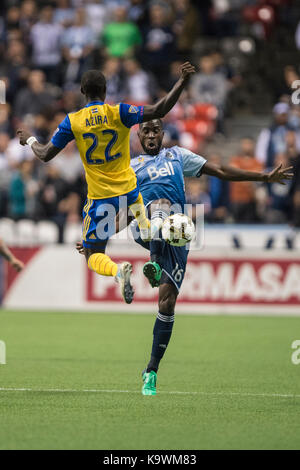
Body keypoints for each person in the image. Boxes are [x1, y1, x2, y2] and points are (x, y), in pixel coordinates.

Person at [128, 119, 293, 395]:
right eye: (146, 130)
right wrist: (94, 240)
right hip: (145, 227)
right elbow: (119, 206)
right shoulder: (131, 168)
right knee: (160, 205)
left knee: (167, 303)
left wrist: (262, 177)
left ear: (163, 134)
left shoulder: (178, 156)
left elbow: (220, 170)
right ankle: (154, 263)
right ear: (139, 136)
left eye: (156, 130)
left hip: (176, 232)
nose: (151, 134)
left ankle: (151, 371)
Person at [17, 62, 196, 304]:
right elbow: (159, 109)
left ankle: (117, 271)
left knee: (92, 254)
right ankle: (153, 229)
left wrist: (28, 139)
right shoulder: (119, 112)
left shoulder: (73, 121)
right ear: (105, 91)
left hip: (100, 197)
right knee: (142, 219)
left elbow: (45, 153)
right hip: (130, 191)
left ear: (82, 91)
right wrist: (182, 81)